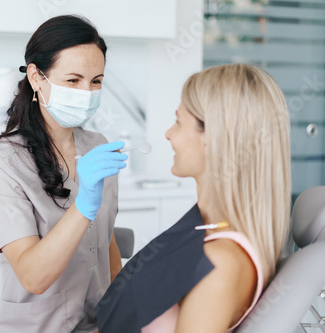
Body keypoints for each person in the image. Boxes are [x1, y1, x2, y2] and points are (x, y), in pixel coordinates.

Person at [97, 64, 291, 333]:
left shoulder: (222, 262)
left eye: (178, 121)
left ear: (212, 138)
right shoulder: (207, 225)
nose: (168, 133)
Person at [0, 15, 127, 333]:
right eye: (73, 80)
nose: (87, 91)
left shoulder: (97, 146)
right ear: (37, 77)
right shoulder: (2, 161)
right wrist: (84, 206)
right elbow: (33, 276)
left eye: (96, 81)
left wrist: (122, 309)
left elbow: (106, 244)